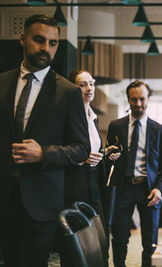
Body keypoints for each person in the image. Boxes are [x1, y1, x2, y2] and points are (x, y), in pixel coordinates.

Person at [0, 14, 90, 266]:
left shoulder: (68, 92)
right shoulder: (2, 82)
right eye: (39, 40)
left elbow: (82, 148)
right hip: (4, 200)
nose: (45, 48)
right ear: (22, 38)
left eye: (53, 43)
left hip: (41, 204)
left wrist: (44, 154)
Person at [106, 80, 162, 267]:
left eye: (142, 99)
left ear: (148, 99)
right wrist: (109, 156)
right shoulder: (115, 126)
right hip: (123, 187)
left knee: (150, 241)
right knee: (119, 238)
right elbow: (109, 156)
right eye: (134, 100)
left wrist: (159, 188)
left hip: (149, 189)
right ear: (128, 100)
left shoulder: (159, 130)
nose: (138, 104)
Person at [63, 70, 120, 266]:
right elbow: (67, 151)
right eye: (82, 84)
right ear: (72, 89)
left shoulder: (93, 116)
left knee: (100, 240)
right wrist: (82, 158)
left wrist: (105, 153)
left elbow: (93, 152)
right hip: (74, 184)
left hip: (94, 185)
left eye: (92, 83)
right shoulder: (66, 116)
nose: (89, 88)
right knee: (79, 246)